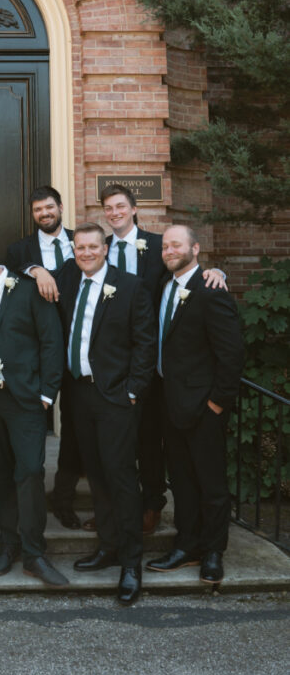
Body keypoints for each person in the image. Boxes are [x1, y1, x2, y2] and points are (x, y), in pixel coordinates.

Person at [99, 182, 227, 536]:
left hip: (155, 365)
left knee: (150, 438)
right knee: (116, 439)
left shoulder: (160, 245)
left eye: (120, 206)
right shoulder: (100, 249)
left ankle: (152, 503)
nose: (115, 213)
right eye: (108, 208)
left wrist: (217, 273)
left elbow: (189, 273)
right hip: (112, 363)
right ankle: (115, 505)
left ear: (134, 208)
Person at [0, 233, 67, 588]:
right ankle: (9, 542)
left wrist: (48, 394)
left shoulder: (30, 287)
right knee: (0, 475)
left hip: (27, 400)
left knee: (31, 471)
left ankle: (35, 553)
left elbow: (52, 340)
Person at [58, 223, 157, 606]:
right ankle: (109, 546)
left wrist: (132, 390)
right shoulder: (69, 284)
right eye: (79, 247)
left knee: (120, 477)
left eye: (92, 247)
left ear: (105, 248)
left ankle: (132, 563)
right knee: (96, 474)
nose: (86, 253)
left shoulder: (130, 286)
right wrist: (33, 270)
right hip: (79, 396)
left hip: (116, 398)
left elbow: (145, 343)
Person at [146, 225, 245, 586]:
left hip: (204, 408)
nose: (169, 250)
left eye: (177, 245)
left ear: (196, 249)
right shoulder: (164, 286)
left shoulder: (210, 290)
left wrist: (217, 403)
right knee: (183, 482)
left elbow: (231, 354)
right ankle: (186, 545)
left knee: (211, 482)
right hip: (170, 404)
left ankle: (213, 551)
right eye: (166, 246)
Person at [5, 185, 82, 529]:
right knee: (27, 424)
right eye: (38, 210)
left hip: (82, 350)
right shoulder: (19, 251)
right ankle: (14, 502)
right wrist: (35, 269)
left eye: (49, 207)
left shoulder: (83, 242)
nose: (45, 214)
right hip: (38, 354)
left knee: (77, 428)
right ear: (33, 214)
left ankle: (64, 497)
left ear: (61, 207)